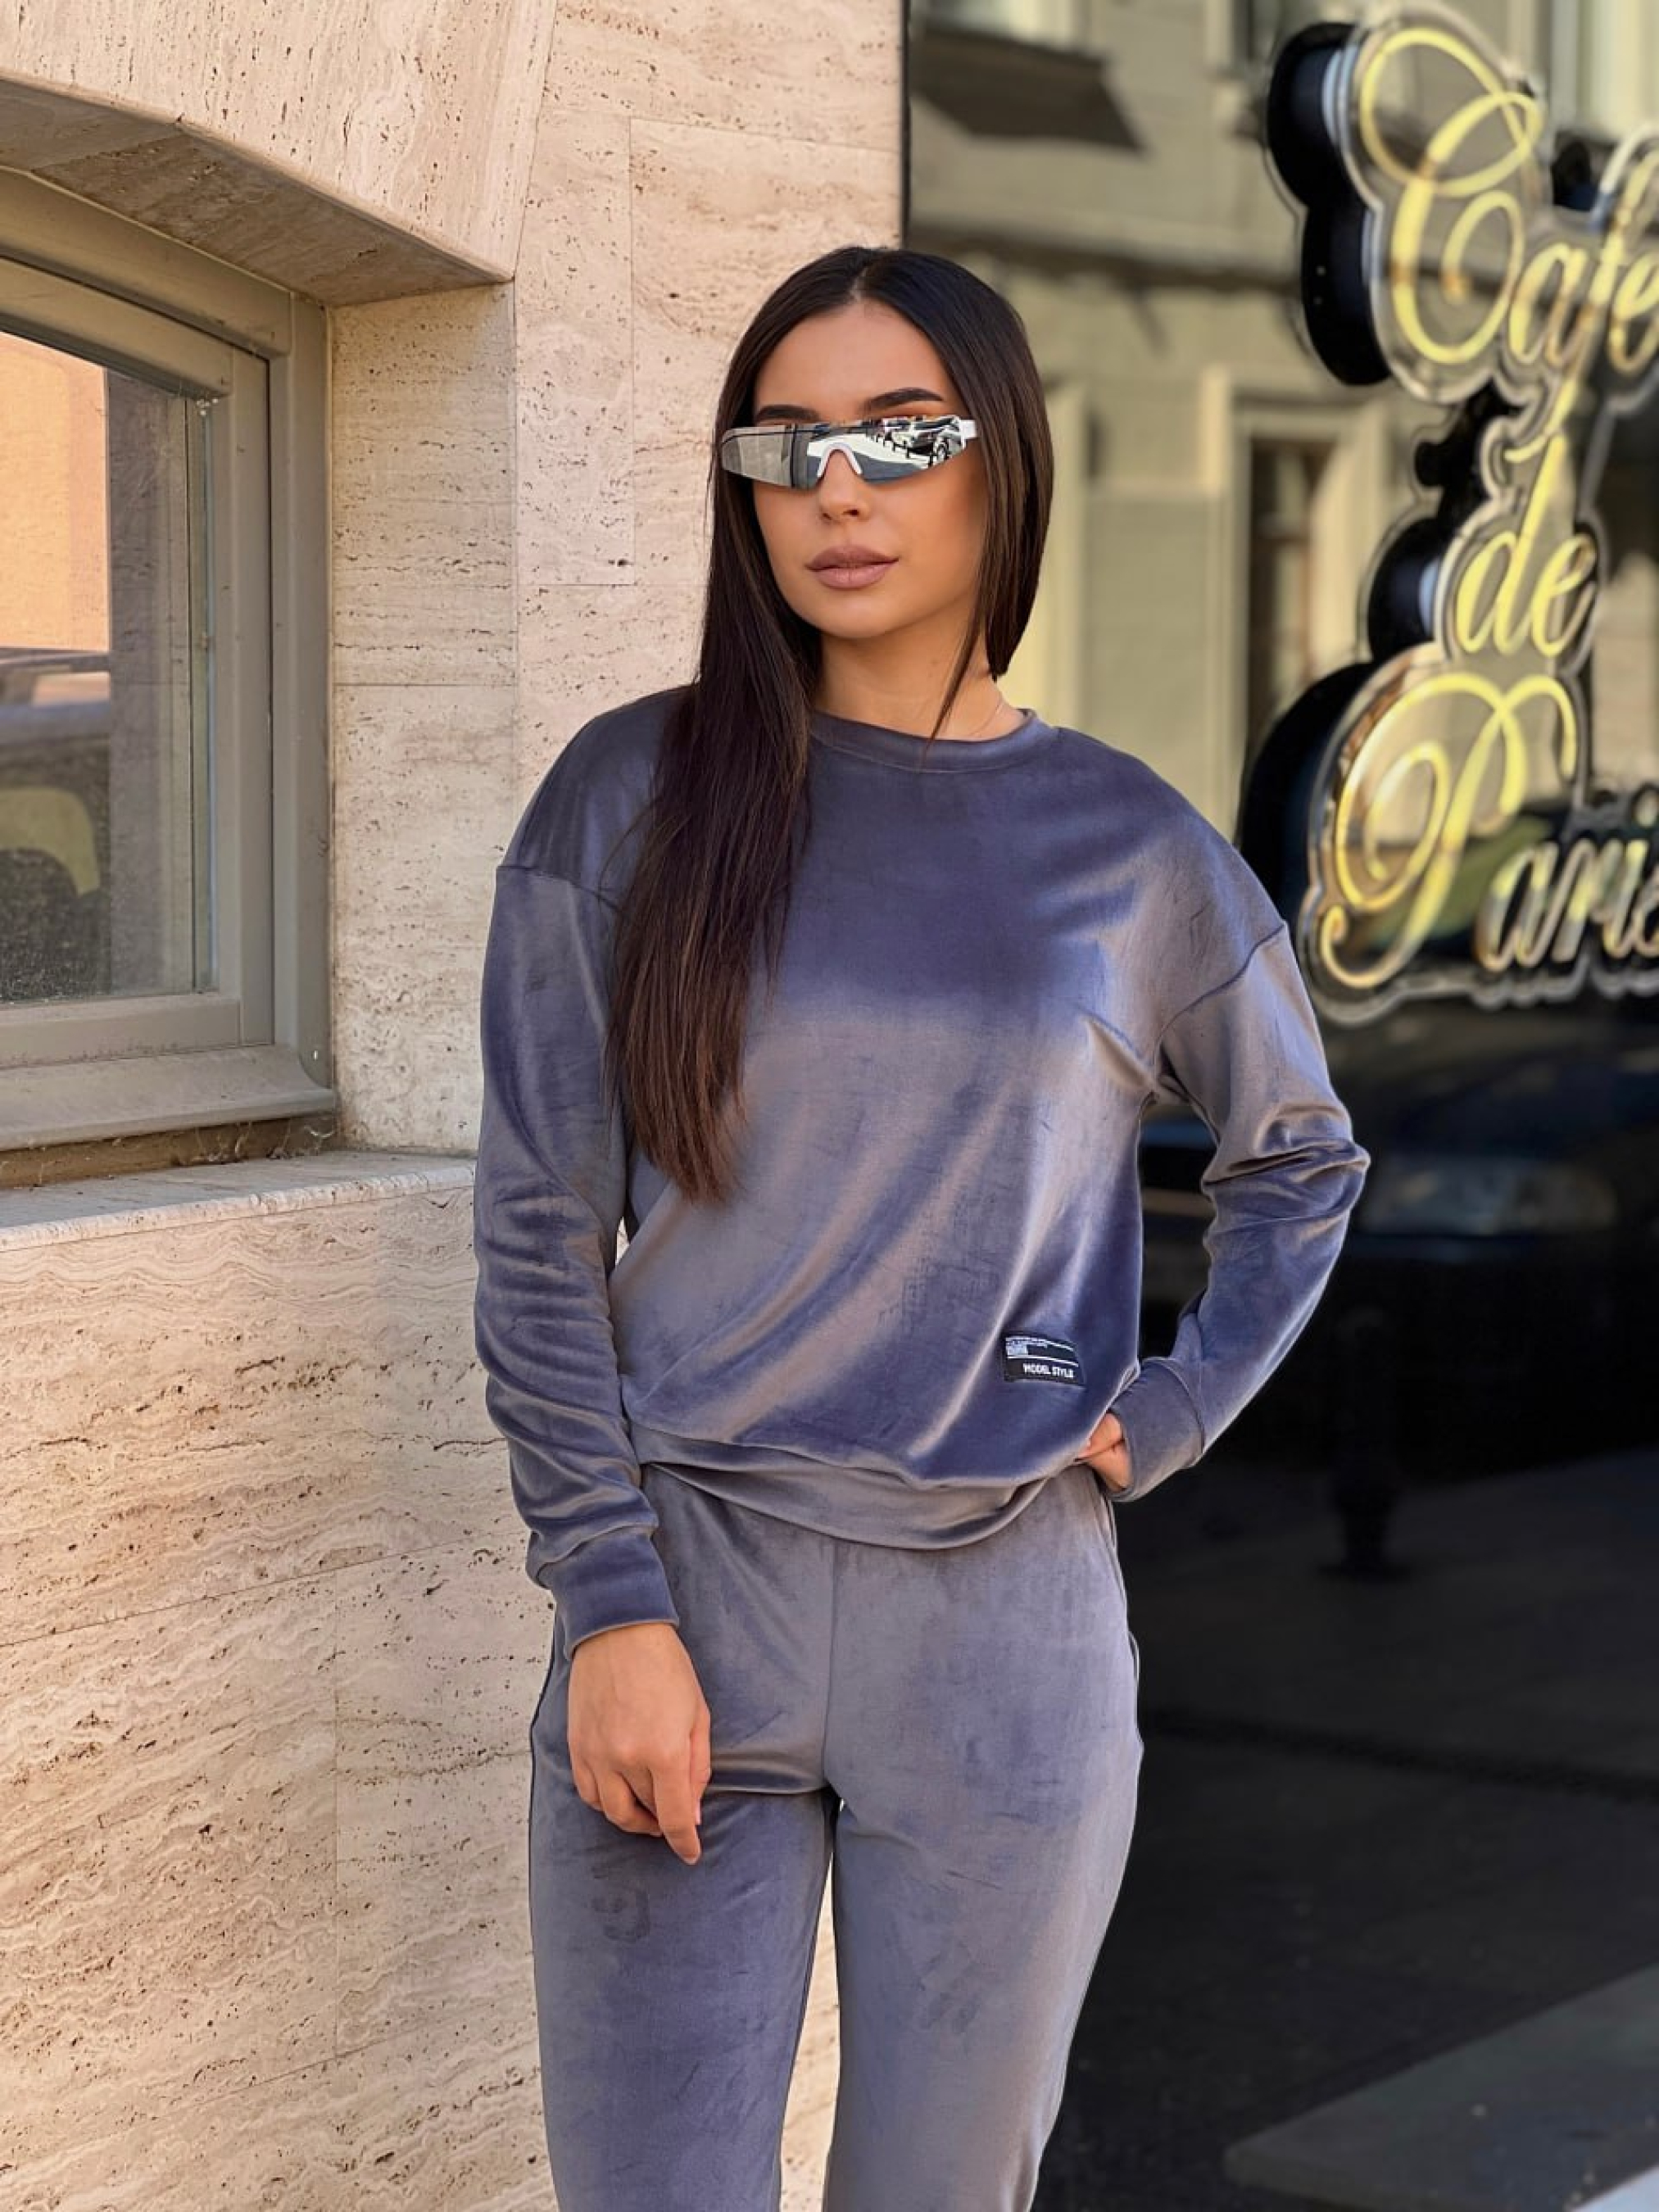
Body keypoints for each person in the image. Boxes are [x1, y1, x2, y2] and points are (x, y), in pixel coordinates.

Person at [472, 243, 1370, 2212]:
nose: (837, 490)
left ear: (998, 463)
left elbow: (1299, 1158)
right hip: (685, 1595)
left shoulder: (1126, 850)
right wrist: (607, 1603)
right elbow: (535, 1232)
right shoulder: (628, 798)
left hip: (1001, 1634)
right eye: (786, 444)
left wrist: (1179, 1401)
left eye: (897, 435)